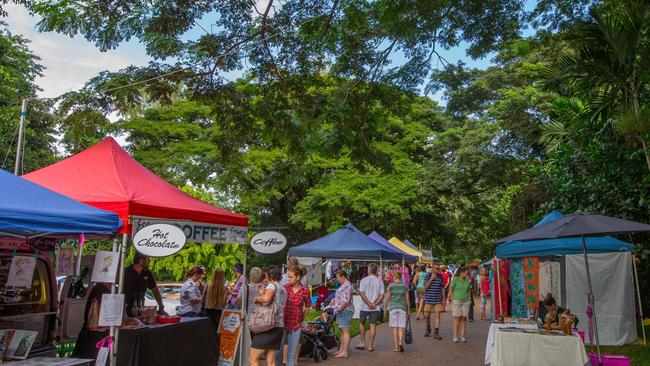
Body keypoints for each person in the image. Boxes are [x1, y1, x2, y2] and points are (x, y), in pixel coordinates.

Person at [250, 265, 286, 366]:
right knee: (271, 362)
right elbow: (276, 303)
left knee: (253, 358)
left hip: (267, 326)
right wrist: (263, 292)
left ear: (270, 275)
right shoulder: (283, 289)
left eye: (266, 275)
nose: (265, 277)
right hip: (278, 327)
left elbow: (266, 299)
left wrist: (257, 298)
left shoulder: (271, 286)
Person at [71, 282, 111, 364]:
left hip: (99, 336)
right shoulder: (99, 289)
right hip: (92, 337)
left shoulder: (108, 289)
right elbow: (90, 317)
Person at [281, 266, 310, 366]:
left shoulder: (305, 291)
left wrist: (302, 317)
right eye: (288, 277)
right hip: (283, 323)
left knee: (291, 354)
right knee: (278, 351)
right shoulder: (284, 288)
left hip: (296, 325)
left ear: (297, 277)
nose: (288, 279)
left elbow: (308, 305)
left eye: (290, 277)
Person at [123, 252, 167, 317]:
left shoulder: (147, 273)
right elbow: (112, 285)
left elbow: (155, 290)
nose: (149, 261)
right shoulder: (125, 272)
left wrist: (161, 307)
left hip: (140, 311)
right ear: (141, 260)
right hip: (124, 311)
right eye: (148, 259)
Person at [356, 263, 384, 352]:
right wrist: (374, 304)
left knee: (361, 323)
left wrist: (368, 303)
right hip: (375, 307)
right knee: (373, 325)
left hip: (365, 306)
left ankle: (362, 342)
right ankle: (370, 346)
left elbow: (362, 293)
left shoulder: (364, 280)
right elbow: (382, 295)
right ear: (376, 271)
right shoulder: (379, 281)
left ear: (369, 270)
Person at [385, 271, 410, 353]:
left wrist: (385, 308)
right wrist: (409, 309)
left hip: (393, 307)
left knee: (395, 327)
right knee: (401, 327)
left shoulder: (390, 286)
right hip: (402, 307)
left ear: (394, 277)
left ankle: (395, 346)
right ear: (400, 277)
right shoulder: (404, 286)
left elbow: (388, 298)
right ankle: (400, 343)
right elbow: (407, 299)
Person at [331, 269, 354, 358]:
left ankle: (344, 351)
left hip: (345, 310)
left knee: (345, 330)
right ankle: (341, 350)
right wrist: (334, 301)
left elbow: (345, 300)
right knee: (342, 331)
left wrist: (340, 308)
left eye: (338, 278)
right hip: (341, 310)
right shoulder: (344, 285)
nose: (337, 279)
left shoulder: (347, 286)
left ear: (343, 276)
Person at [450, 267, 471, 343]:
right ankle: (455, 336)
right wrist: (452, 298)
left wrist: (469, 299)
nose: (467, 274)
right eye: (466, 273)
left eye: (468, 273)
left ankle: (462, 336)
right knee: (457, 318)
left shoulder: (467, 280)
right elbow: (451, 289)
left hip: (466, 301)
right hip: (457, 301)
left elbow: (469, 290)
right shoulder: (455, 279)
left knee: (464, 318)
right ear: (461, 273)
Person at [423, 265, 444, 340]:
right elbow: (425, 287)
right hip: (429, 299)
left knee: (437, 315)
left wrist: (444, 299)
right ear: (432, 268)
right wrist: (431, 279)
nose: (438, 270)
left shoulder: (440, 277)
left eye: (439, 268)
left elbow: (442, 288)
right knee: (427, 315)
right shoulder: (427, 276)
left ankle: (436, 332)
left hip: (438, 299)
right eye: (437, 268)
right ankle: (428, 328)